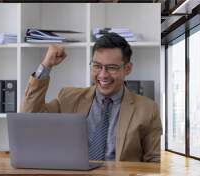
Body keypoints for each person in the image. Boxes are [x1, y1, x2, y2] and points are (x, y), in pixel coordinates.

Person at [21, 33, 162, 162]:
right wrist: (46, 65)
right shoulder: (67, 98)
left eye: (112, 67)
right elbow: (28, 119)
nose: (103, 75)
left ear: (127, 69)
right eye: (97, 66)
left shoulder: (148, 109)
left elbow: (155, 161)